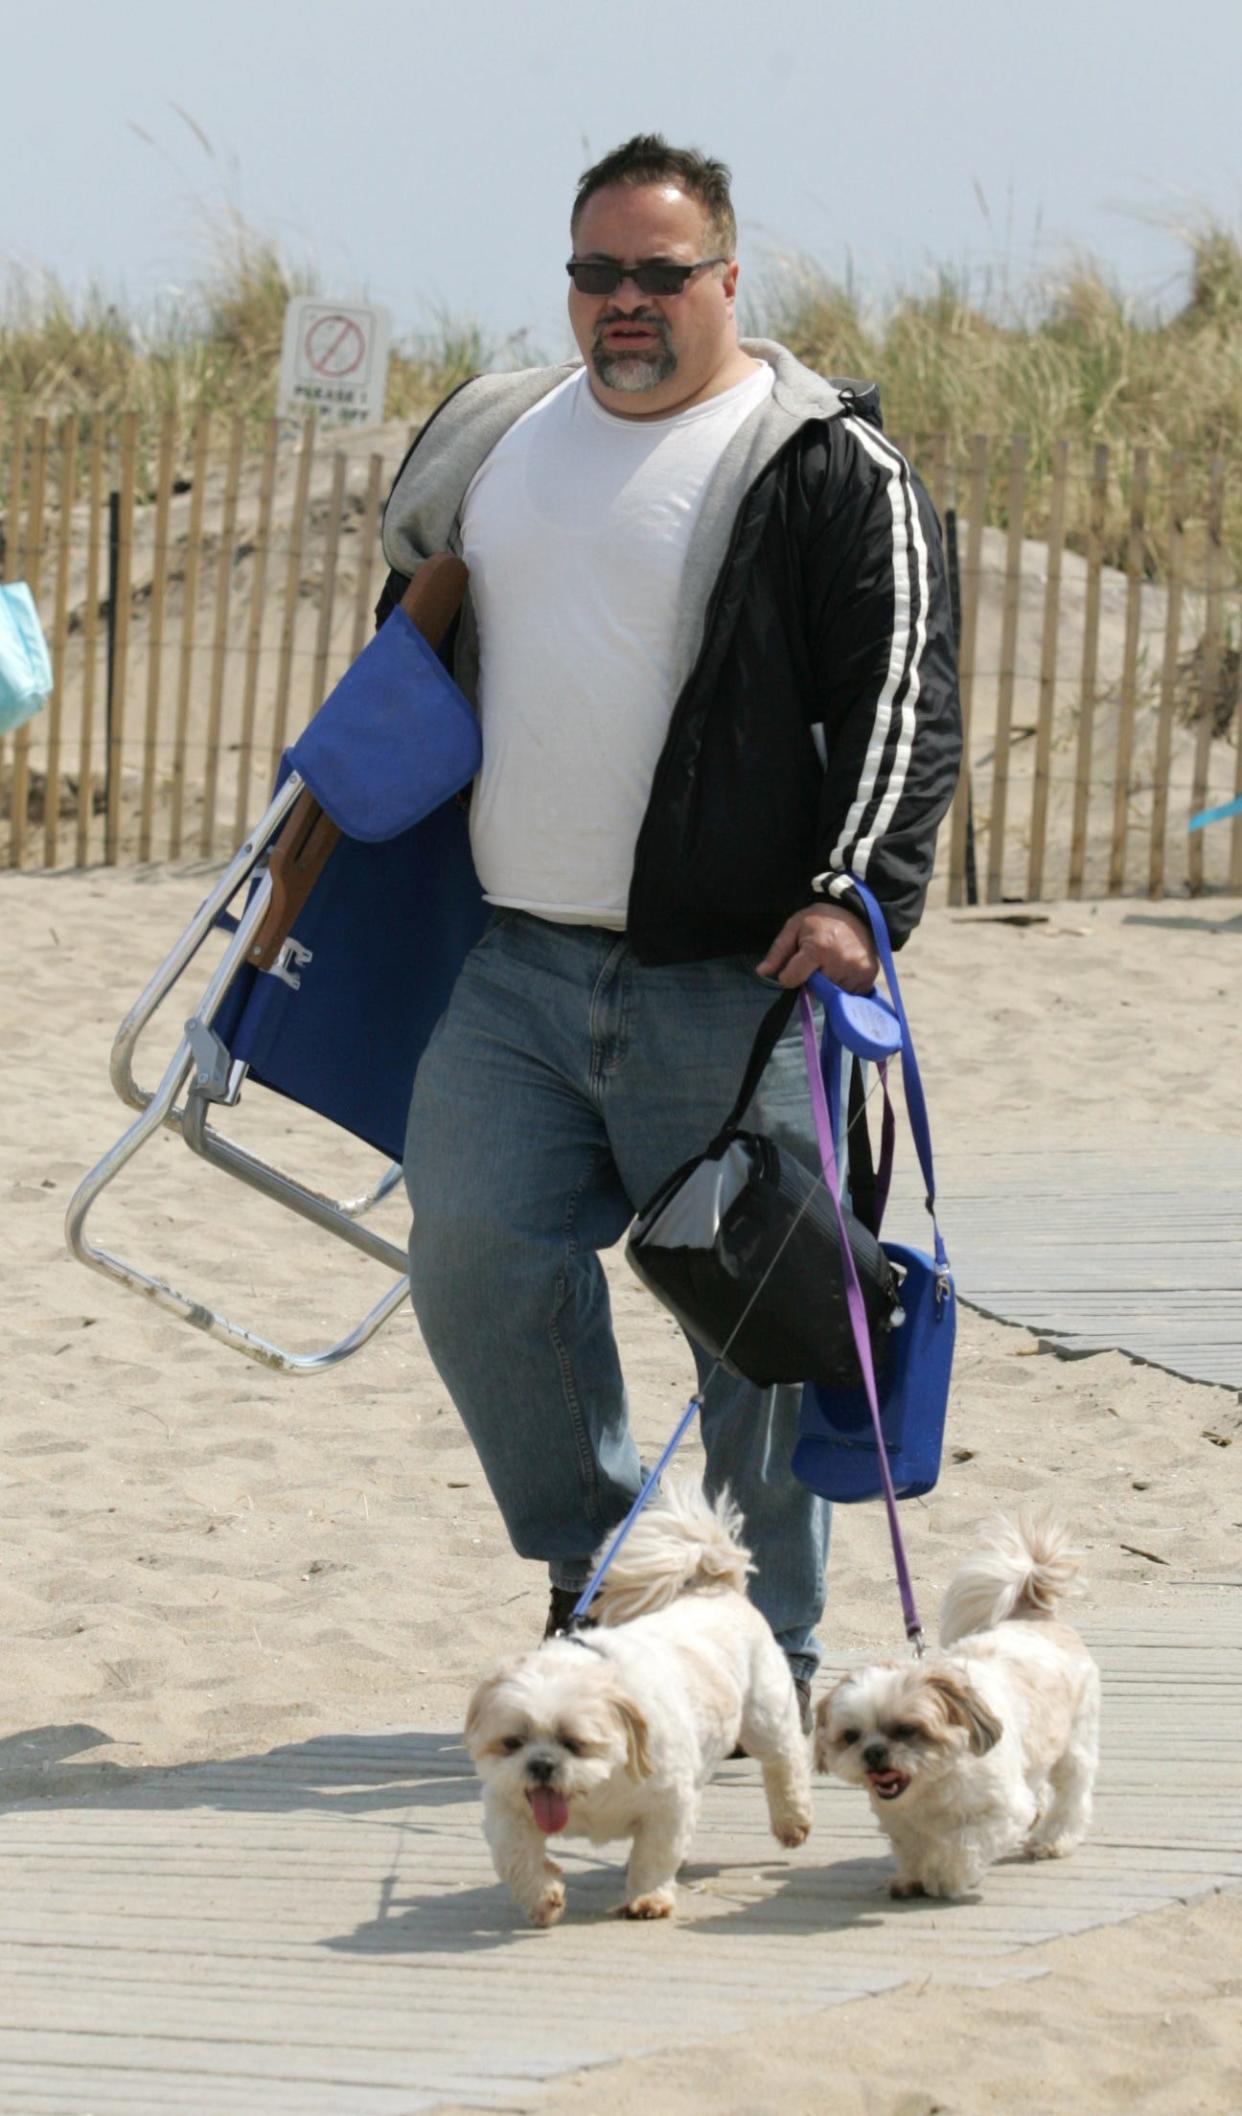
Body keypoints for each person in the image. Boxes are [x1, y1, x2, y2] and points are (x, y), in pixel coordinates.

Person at [377, 134, 961, 1724]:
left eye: (658, 272)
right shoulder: (493, 432)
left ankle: (766, 1654)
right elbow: (412, 637)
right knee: (479, 1255)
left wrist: (851, 895)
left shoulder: (823, 459)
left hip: (735, 981)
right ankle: (602, 1573)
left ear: (724, 278)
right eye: (595, 272)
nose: (623, 303)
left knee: (758, 1339)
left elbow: (905, 701)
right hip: (516, 958)